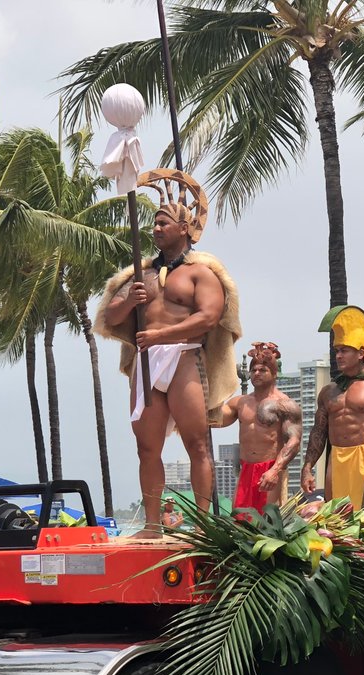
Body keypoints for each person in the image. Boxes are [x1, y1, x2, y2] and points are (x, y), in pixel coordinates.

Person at [97, 192, 242, 536]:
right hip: (147, 363)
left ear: (184, 227)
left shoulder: (201, 273)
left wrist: (163, 336)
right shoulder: (141, 275)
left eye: (163, 222)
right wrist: (129, 300)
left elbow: (210, 316)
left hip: (183, 358)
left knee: (197, 443)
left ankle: (205, 523)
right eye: (154, 222)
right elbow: (111, 315)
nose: (156, 228)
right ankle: (151, 524)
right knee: (147, 447)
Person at [301, 306, 364, 510]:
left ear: (361, 353)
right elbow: (319, 432)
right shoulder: (328, 392)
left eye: (344, 351)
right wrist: (307, 467)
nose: (338, 356)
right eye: (337, 351)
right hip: (336, 459)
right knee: (336, 518)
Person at [215, 342, 302, 513]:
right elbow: (214, 420)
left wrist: (275, 470)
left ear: (274, 374)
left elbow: (294, 442)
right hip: (246, 469)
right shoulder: (240, 403)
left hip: (270, 469)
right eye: (253, 370)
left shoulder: (285, 404)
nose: (256, 373)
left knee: (266, 523)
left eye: (262, 370)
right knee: (240, 522)